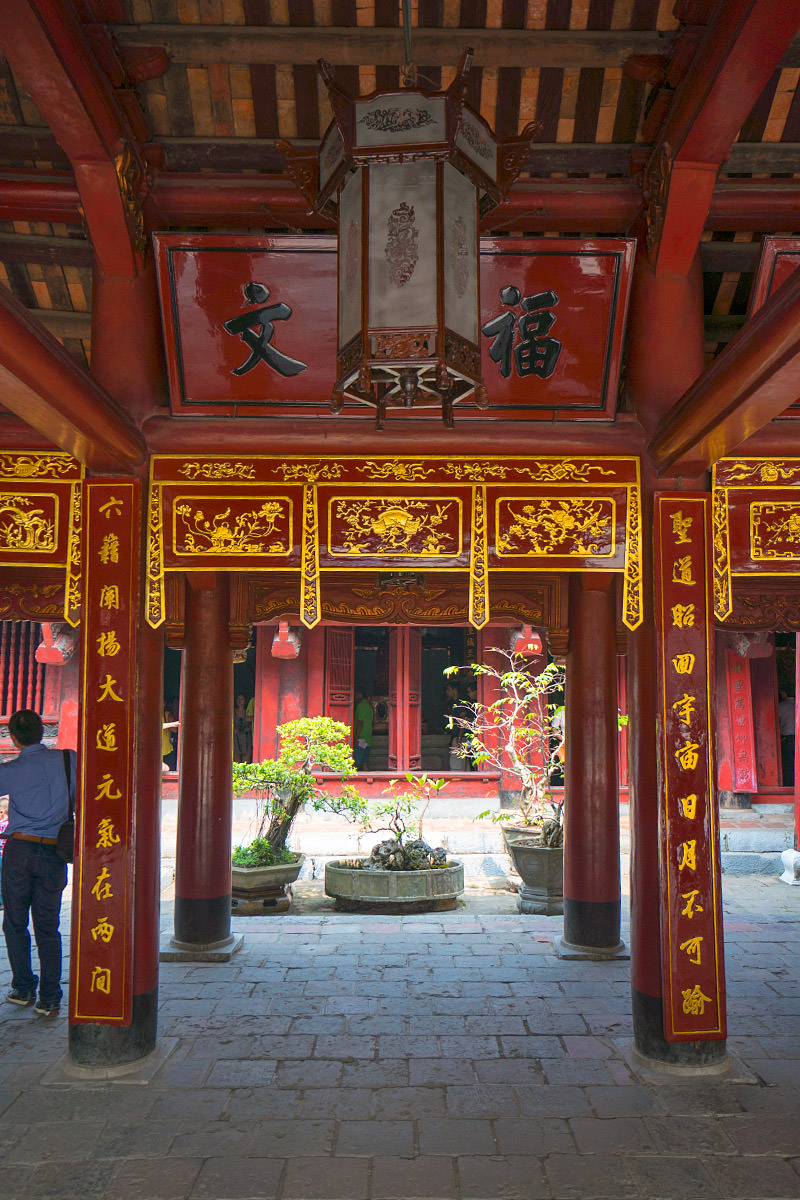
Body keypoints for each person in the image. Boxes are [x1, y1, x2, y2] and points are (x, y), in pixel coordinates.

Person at [0, 709, 75, 1017]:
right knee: (48, 926)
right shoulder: (69, 760)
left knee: (15, 922)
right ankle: (50, 996)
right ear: (42, 731)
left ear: (13, 738)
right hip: (53, 852)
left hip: (18, 851)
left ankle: (22, 986)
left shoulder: (9, 770)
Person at [353, 690, 373, 770]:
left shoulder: (361, 706)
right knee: (365, 762)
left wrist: (355, 737)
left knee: (355, 762)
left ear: (361, 695)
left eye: (356, 694)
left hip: (360, 738)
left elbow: (360, 722)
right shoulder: (369, 706)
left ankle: (351, 781)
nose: (355, 696)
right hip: (368, 738)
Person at [233, 694, 253, 763]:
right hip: (235, 737)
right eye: (238, 699)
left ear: (245, 701)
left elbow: (255, 720)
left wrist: (249, 728)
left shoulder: (248, 711)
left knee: (246, 760)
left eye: (242, 699)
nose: (239, 701)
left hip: (246, 737)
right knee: (236, 760)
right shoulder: (233, 711)